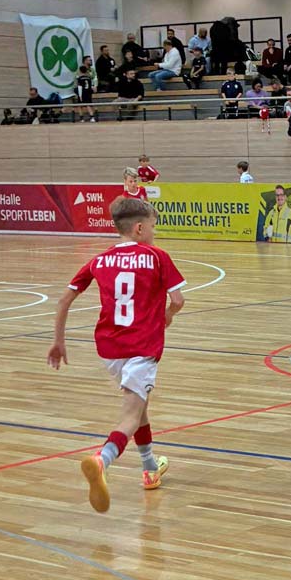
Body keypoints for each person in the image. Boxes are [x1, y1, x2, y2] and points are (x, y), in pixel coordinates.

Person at [48, 197, 186, 512]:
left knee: (140, 405)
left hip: (110, 349)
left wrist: (58, 342)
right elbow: (178, 300)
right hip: (142, 347)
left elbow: (63, 301)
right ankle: (102, 459)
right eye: (152, 227)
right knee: (130, 416)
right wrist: (167, 316)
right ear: (139, 228)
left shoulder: (99, 260)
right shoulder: (157, 257)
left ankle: (150, 468)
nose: (153, 232)